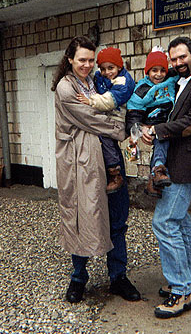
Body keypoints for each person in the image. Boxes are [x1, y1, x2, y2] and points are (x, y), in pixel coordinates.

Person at [52, 36, 140, 304]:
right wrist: (122, 127)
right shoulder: (66, 89)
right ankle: (78, 278)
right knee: (81, 217)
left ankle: (118, 277)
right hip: (80, 164)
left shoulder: (98, 81)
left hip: (110, 161)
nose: (87, 65)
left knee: (117, 217)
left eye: (91, 60)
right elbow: (93, 119)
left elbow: (122, 96)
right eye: (82, 60)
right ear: (70, 59)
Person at [141, 37, 191, 319]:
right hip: (174, 161)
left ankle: (181, 293)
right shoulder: (178, 82)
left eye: (181, 58)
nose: (177, 64)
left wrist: (157, 130)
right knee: (180, 220)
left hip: (187, 162)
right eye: (173, 60)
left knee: (164, 222)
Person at [77, 47, 135, 194]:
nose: (107, 72)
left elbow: (109, 101)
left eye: (111, 68)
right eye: (103, 69)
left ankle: (115, 174)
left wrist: (90, 101)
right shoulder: (101, 77)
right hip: (108, 117)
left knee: (106, 139)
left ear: (119, 66)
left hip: (116, 120)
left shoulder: (124, 82)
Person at [126, 47, 179, 198]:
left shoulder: (171, 80)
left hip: (167, 121)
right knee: (159, 142)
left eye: (162, 70)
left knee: (162, 145)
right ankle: (157, 170)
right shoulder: (142, 90)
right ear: (147, 71)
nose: (159, 74)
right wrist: (138, 129)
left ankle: (153, 182)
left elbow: (178, 71)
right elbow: (134, 112)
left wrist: (169, 60)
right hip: (151, 124)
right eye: (154, 70)